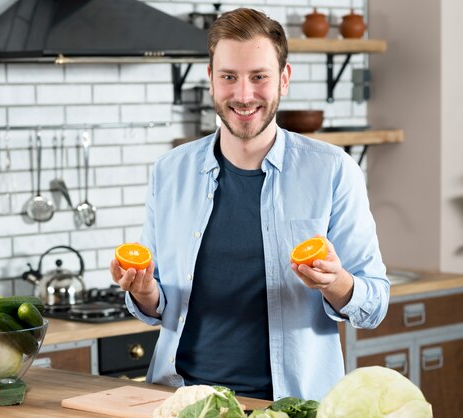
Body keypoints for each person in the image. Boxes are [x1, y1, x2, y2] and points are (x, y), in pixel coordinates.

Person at [110, 7, 389, 402]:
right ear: (211, 80)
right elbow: (159, 304)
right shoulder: (169, 171)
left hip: (289, 404)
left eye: (259, 77)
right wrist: (141, 291)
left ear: (284, 80)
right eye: (229, 77)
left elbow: (375, 303)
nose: (243, 95)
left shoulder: (332, 171)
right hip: (181, 400)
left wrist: (337, 283)